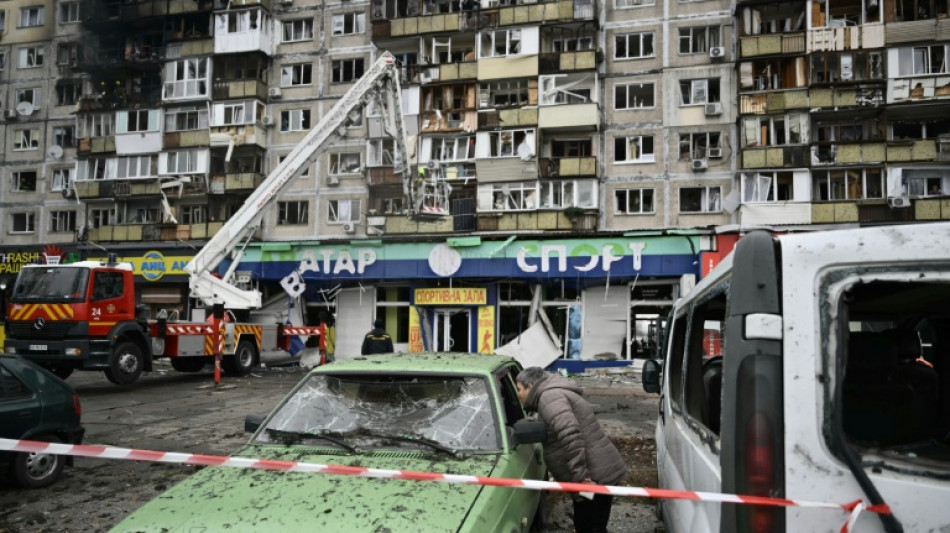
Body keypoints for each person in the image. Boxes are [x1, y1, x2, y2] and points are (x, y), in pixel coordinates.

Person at [516, 367, 627, 533]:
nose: (517, 394)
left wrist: (581, 478)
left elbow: (570, 434)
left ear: (530, 386)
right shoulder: (552, 394)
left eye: (518, 389)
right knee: (593, 525)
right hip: (596, 472)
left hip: (592, 476)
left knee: (588, 526)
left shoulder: (549, 397)